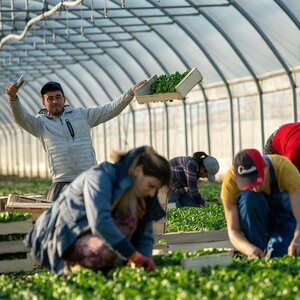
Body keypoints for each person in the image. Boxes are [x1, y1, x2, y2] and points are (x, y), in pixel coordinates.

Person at [24, 145, 171, 275]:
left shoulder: (142, 195)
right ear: (138, 171)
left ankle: (102, 270)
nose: (153, 193)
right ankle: (74, 272)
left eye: (156, 189)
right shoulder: (100, 177)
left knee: (123, 232)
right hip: (61, 237)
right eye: (151, 186)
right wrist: (134, 255)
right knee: (108, 250)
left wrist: (145, 259)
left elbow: (145, 232)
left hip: (89, 234)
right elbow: (100, 222)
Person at [5, 79, 147, 202]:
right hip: (61, 182)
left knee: (93, 220)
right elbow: (21, 118)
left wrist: (130, 93)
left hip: (89, 179)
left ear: (64, 99)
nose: (55, 101)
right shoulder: (40, 124)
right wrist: (13, 98)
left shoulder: (81, 115)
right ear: (44, 102)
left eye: (58, 97)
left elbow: (109, 110)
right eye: (50, 98)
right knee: (58, 223)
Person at [221, 148, 300, 259]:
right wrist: (248, 248)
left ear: (266, 167)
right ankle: (259, 252)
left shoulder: (284, 169)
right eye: (249, 183)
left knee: (279, 253)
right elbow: (233, 231)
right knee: (249, 197)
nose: (255, 187)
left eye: (258, 180)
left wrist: (297, 239)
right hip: (256, 221)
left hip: (285, 221)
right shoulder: (230, 183)